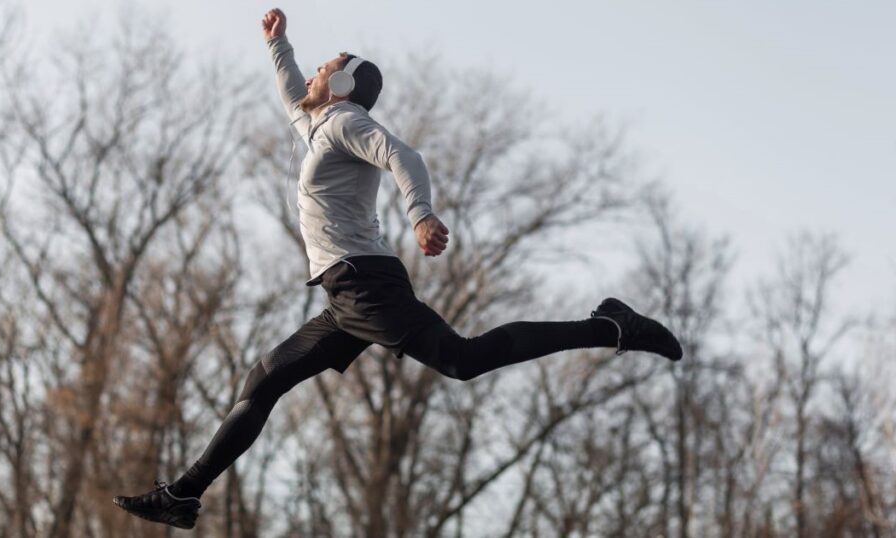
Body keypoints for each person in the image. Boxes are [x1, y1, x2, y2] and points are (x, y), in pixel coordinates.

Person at [113, 8, 683, 529]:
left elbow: (402, 156)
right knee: (263, 380)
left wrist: (422, 214)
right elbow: (291, 92)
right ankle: (184, 496)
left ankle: (612, 326)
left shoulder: (345, 123)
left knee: (464, 360)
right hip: (345, 295)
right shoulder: (316, 125)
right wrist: (278, 43)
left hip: (367, 286)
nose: (311, 74)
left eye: (323, 69)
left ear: (340, 85)